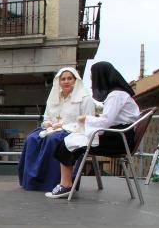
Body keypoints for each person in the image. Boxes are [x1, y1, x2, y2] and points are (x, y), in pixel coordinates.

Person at [46, 61, 140, 199]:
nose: (92, 80)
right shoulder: (118, 94)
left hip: (118, 140)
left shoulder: (116, 95)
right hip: (120, 136)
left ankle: (65, 185)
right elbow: (109, 119)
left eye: (93, 77)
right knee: (70, 140)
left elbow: (106, 120)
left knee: (68, 142)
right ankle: (65, 184)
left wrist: (85, 119)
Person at [18, 67, 95, 191]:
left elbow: (87, 122)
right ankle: (32, 181)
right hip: (52, 129)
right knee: (31, 139)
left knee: (53, 140)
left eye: (69, 78)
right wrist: (47, 123)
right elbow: (46, 117)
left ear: (75, 81)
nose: (66, 81)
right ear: (59, 82)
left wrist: (63, 126)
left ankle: (52, 182)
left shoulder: (85, 98)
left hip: (74, 131)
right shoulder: (53, 97)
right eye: (63, 79)